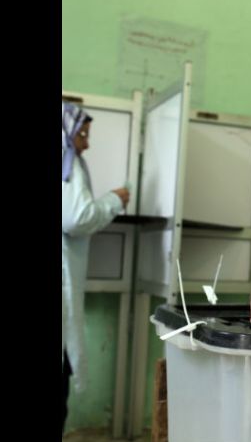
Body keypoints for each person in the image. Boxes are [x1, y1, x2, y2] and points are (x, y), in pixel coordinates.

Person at [62, 101, 130, 434]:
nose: (86, 144)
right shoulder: (67, 162)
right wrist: (114, 199)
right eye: (82, 134)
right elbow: (78, 217)